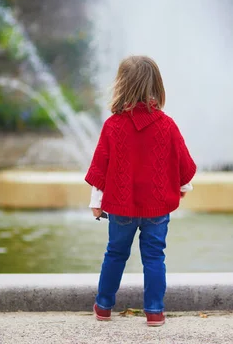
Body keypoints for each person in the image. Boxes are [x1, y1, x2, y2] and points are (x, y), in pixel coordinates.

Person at [85, 55, 196, 327]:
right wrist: (182, 187)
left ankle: (103, 307)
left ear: (121, 85)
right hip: (157, 207)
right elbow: (182, 162)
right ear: (157, 85)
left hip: (121, 207)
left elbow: (100, 168)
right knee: (155, 257)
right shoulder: (167, 125)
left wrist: (96, 202)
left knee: (115, 254)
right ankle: (155, 312)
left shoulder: (113, 125)